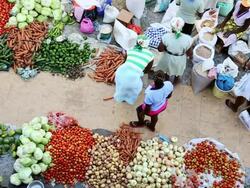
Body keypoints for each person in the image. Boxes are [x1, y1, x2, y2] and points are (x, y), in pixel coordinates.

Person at [114, 35, 154, 105]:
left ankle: (122, 98)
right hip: (134, 79)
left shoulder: (129, 50)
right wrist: (139, 70)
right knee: (133, 89)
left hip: (120, 74)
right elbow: (147, 70)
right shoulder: (150, 55)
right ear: (147, 44)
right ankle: (128, 98)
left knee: (122, 86)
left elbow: (125, 62)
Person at [155, 17, 193, 84]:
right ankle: (176, 81)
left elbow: (160, 49)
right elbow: (190, 54)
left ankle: (167, 81)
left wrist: (167, 47)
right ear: (183, 26)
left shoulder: (166, 36)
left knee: (167, 71)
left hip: (168, 58)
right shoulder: (188, 39)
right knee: (178, 71)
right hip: (180, 59)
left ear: (171, 27)